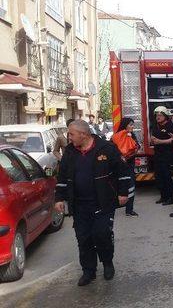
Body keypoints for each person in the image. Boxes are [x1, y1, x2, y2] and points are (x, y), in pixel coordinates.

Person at [53, 120, 133, 286]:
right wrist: (59, 198)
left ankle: (107, 262)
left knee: (101, 234)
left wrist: (123, 193)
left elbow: (122, 171)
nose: (69, 137)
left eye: (71, 134)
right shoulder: (69, 151)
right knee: (84, 239)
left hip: (103, 202)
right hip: (79, 205)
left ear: (83, 134)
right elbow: (63, 176)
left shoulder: (106, 148)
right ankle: (88, 271)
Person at [112, 118, 140, 217]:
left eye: (133, 125)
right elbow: (112, 150)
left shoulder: (132, 135)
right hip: (120, 167)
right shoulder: (116, 137)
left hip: (129, 165)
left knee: (131, 186)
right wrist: (120, 157)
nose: (132, 127)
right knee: (120, 186)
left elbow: (137, 146)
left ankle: (129, 209)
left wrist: (130, 153)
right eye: (131, 125)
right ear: (125, 125)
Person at [150, 106, 173, 206]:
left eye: (160, 115)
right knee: (159, 177)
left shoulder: (170, 126)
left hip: (167, 155)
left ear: (165, 116)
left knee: (168, 177)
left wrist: (159, 141)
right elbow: (153, 137)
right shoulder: (156, 125)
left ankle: (172, 198)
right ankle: (163, 196)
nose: (158, 117)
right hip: (158, 155)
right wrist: (152, 139)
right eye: (157, 115)